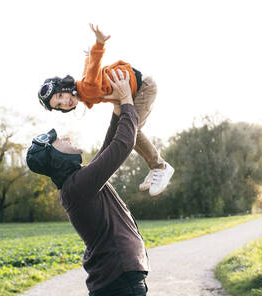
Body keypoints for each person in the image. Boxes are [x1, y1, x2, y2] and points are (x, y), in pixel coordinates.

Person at [27, 70, 149, 295]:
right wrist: (126, 101)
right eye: (58, 142)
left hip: (117, 279)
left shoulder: (76, 183)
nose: (65, 139)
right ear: (56, 159)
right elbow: (122, 144)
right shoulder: (78, 186)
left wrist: (117, 111)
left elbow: (107, 148)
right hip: (120, 281)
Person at [37, 24, 174, 197]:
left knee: (133, 130)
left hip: (143, 88)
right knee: (127, 130)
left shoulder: (87, 88)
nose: (65, 102)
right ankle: (154, 166)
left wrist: (99, 44)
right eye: (59, 105)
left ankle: (160, 167)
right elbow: (89, 68)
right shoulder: (84, 89)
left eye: (60, 96)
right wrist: (88, 58)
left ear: (63, 87)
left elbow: (94, 68)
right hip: (139, 87)